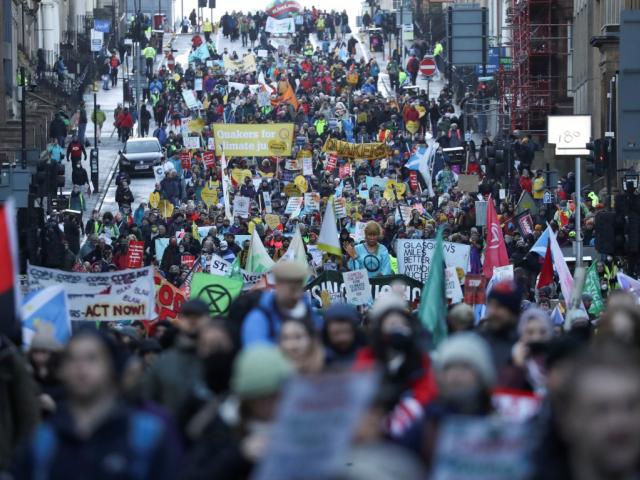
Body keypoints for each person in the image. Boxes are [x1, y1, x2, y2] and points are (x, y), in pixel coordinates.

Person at [13, 330, 180, 479]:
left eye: (91, 358)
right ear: (61, 370)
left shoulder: (145, 435)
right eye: (72, 359)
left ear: (112, 368)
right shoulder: (44, 439)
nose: (80, 366)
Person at [141, 300, 210, 417]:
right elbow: (148, 401)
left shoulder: (219, 357)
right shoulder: (164, 361)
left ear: (208, 319)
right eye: (187, 316)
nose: (192, 321)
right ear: (180, 320)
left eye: (198, 316)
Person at [242, 261, 320, 346]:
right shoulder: (259, 318)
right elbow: (257, 354)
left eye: (299, 289)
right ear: (278, 285)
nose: (297, 295)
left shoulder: (306, 308)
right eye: (292, 289)